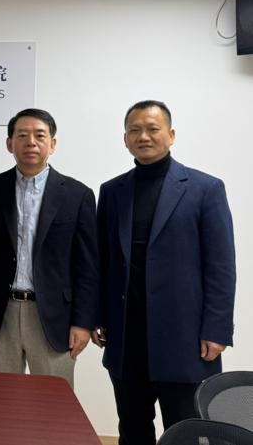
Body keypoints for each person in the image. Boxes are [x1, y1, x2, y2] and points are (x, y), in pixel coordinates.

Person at [94, 100, 236, 444]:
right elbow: (103, 259)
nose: (143, 136)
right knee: (132, 429)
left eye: (152, 129)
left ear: (170, 135)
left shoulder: (205, 188)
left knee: (184, 432)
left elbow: (221, 266)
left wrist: (216, 328)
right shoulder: (112, 191)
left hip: (185, 338)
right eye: (134, 130)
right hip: (127, 338)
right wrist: (99, 315)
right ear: (125, 139)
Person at [0, 108, 98, 389]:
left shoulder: (78, 195)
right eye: (22, 135)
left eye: (40, 135)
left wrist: (83, 322)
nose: (31, 142)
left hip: (55, 316)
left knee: (53, 403)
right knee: (1, 397)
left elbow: (87, 265)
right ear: (9, 143)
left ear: (53, 144)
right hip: (1, 311)